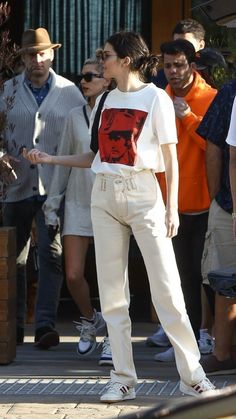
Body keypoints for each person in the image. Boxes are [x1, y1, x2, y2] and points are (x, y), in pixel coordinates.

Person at [23, 30, 215, 403]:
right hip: (105, 195)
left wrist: (171, 206)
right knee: (112, 293)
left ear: (125, 59)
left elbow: (170, 158)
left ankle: (192, 375)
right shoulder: (107, 98)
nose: (101, 60)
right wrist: (51, 159)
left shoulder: (156, 98)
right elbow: (96, 157)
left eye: (106, 55)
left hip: (144, 195)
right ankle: (123, 377)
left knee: (167, 288)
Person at [0, 27, 85, 347]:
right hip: (16, 186)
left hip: (55, 188)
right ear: (22, 57)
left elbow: (82, 138)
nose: (37, 59)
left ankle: (46, 325)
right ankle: (14, 327)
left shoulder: (70, 92)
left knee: (52, 256)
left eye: (43, 53)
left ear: (52, 54)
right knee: (14, 259)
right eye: (31, 54)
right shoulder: (7, 90)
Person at [43, 56, 113, 364]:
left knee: (112, 276)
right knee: (72, 274)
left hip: (110, 202)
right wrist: (51, 204)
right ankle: (90, 321)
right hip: (77, 200)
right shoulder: (73, 116)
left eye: (90, 76)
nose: (83, 81)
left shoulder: (116, 112)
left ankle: (114, 335)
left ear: (106, 80)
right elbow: (64, 158)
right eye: (81, 76)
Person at [151, 39, 217, 363]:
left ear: (193, 66)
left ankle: (211, 338)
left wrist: (190, 116)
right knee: (179, 276)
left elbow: (216, 148)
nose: (173, 72)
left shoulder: (210, 97)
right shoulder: (157, 98)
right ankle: (186, 343)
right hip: (168, 205)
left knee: (206, 276)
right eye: (168, 66)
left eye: (179, 65)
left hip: (205, 203)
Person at [196, 79, 236, 375]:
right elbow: (216, 149)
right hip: (228, 202)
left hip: (226, 201)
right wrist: (218, 200)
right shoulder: (231, 91)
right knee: (224, 281)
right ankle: (222, 353)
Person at [152, 18, 205, 89]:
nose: (180, 49)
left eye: (186, 44)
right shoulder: (159, 80)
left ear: (201, 45)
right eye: (176, 44)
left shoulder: (211, 76)